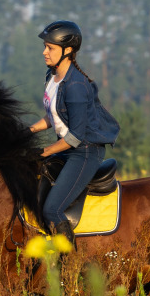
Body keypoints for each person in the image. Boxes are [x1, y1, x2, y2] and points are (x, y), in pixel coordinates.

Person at [28, 20, 120, 246]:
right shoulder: (52, 76)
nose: (44, 52)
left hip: (84, 152)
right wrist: (27, 131)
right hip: (68, 149)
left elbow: (75, 137)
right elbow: (54, 116)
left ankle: (68, 263)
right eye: (45, 46)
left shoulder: (76, 86)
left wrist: (44, 151)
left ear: (67, 50)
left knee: (52, 210)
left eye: (50, 47)